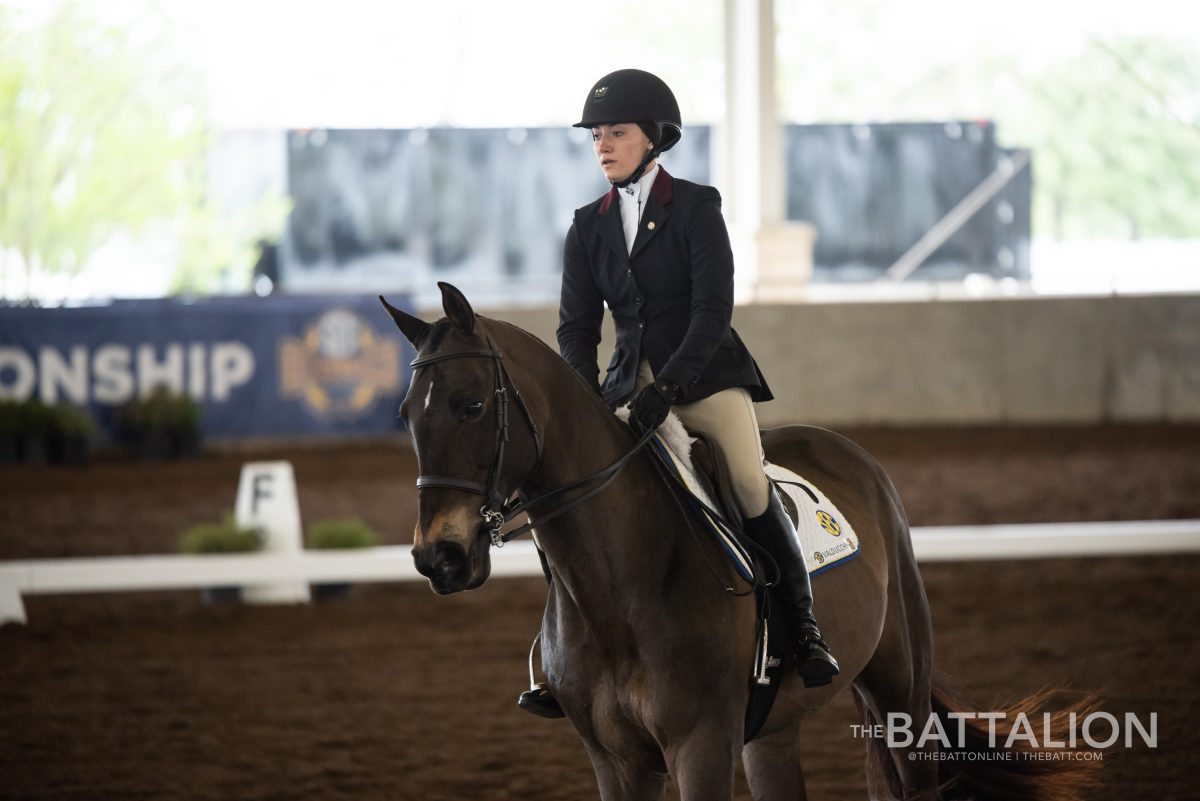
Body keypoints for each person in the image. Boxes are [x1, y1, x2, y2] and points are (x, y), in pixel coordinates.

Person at [518, 69, 838, 719]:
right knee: (566, 492)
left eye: (617, 133)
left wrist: (669, 389)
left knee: (748, 482)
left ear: (655, 138)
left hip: (704, 377)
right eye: (597, 135)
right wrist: (586, 395)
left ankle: (802, 627)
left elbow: (712, 309)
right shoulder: (587, 227)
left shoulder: (696, 206)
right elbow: (575, 328)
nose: (603, 145)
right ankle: (558, 654)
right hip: (624, 385)